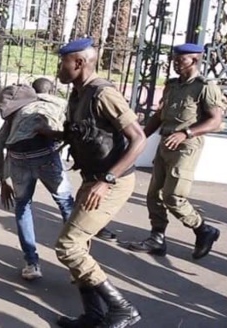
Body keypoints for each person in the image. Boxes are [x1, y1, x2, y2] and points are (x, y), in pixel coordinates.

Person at [49, 38, 147, 328]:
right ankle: (93, 315)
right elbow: (84, 134)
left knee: (69, 246)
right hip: (92, 179)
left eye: (63, 62)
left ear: (78, 63)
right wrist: (49, 134)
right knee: (79, 245)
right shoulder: (79, 94)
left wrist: (107, 180)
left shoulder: (103, 94)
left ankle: (122, 308)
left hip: (111, 182)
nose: (59, 68)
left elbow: (138, 139)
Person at [126, 43, 223, 260]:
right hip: (165, 143)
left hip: (186, 146)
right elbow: (159, 116)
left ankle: (203, 229)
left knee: (173, 196)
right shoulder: (172, 85)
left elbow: (215, 121)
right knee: (154, 194)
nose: (176, 64)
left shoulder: (204, 86)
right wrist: (140, 136)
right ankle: (157, 238)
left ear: (194, 60)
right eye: (174, 60)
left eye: (181, 60)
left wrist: (186, 133)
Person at [0, 82, 74, 281]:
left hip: (18, 160)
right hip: (47, 156)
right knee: (67, 205)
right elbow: (73, 132)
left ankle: (31, 264)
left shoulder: (15, 114)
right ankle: (77, 262)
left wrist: (3, 180)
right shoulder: (59, 104)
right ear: (50, 92)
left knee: (23, 206)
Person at [32, 78, 119, 244]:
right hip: (88, 167)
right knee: (68, 201)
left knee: (69, 239)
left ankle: (87, 229)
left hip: (103, 170)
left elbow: (136, 137)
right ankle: (85, 230)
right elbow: (70, 132)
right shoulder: (67, 103)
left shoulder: (101, 99)